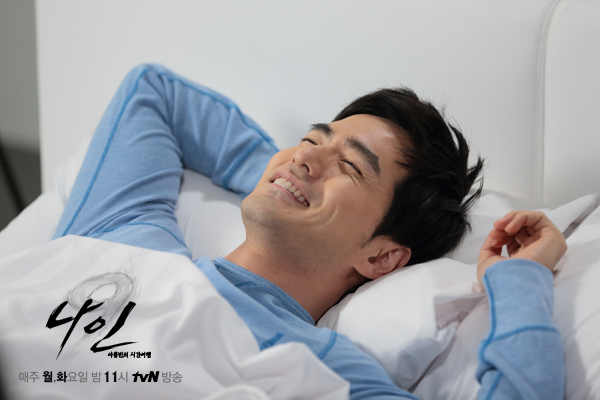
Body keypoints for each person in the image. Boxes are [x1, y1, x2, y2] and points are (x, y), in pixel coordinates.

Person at [54, 64, 566, 399]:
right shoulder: (123, 233)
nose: (304, 155)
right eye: (311, 139)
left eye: (351, 166)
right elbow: (155, 91)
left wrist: (519, 280)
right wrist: (287, 180)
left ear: (382, 257)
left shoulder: (322, 372)